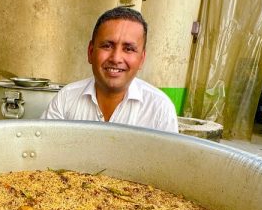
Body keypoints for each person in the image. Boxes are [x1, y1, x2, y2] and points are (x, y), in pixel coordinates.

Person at [41, 7, 178, 133]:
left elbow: (167, 160)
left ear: (141, 59)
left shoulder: (160, 110)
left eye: (128, 49)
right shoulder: (66, 99)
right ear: (90, 52)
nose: (116, 58)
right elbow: (43, 149)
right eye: (107, 46)